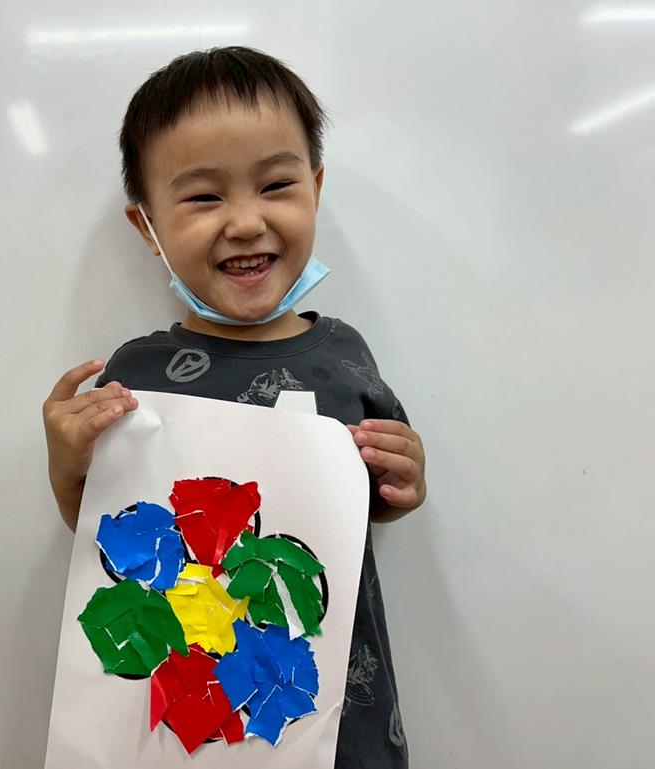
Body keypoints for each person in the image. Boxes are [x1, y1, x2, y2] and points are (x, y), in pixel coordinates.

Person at [42, 46, 427, 767]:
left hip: (333, 714)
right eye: (203, 197)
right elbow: (108, 542)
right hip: (187, 725)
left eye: (276, 185)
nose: (247, 222)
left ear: (315, 188)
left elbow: (369, 506)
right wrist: (68, 470)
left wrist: (405, 481)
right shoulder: (136, 377)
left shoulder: (346, 357)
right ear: (147, 226)